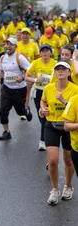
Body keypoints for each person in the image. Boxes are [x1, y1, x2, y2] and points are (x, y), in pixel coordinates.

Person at [40, 61, 78, 205]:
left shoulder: (75, 89)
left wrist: (63, 102)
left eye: (64, 69)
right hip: (52, 125)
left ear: (69, 73)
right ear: (55, 73)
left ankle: (68, 186)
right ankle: (54, 190)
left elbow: (75, 108)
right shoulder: (49, 88)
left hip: (69, 127)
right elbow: (43, 102)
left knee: (68, 160)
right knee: (53, 160)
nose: (60, 71)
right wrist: (43, 109)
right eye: (58, 69)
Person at [0, 38, 32, 140]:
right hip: (6, 88)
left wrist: (23, 77)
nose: (8, 46)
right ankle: (6, 131)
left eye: (11, 45)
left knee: (20, 111)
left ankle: (26, 111)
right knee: (3, 110)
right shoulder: (2, 58)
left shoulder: (20, 58)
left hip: (19, 89)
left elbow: (30, 70)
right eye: (7, 44)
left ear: (15, 47)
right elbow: (2, 71)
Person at [26, 44, 57, 151]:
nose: (45, 53)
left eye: (47, 51)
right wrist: (35, 80)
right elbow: (27, 76)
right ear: (40, 53)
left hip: (50, 94)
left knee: (44, 116)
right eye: (42, 51)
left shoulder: (55, 64)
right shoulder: (35, 63)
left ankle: (42, 141)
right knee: (41, 117)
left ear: (51, 53)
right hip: (38, 93)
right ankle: (48, 130)